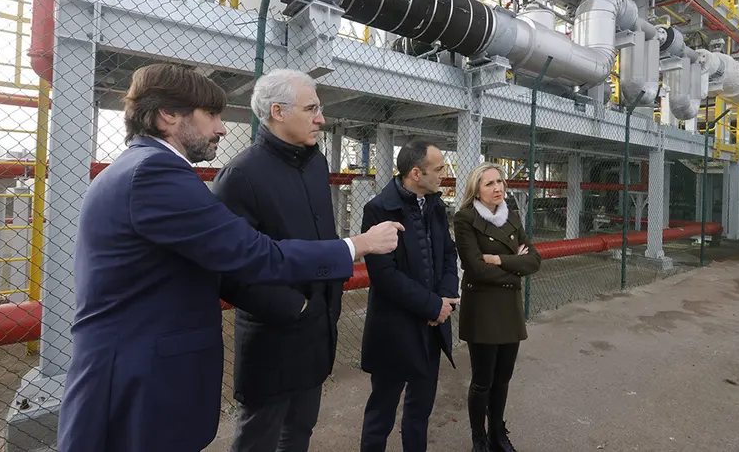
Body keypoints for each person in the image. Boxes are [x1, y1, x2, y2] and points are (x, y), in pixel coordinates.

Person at [56, 64, 403, 452]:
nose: (222, 128)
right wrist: (355, 246)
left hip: (143, 376)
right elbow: (251, 253)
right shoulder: (154, 174)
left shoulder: (143, 169)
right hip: (139, 384)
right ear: (168, 115)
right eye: (212, 115)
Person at [211, 69, 343, 452]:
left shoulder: (315, 164)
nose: (321, 118)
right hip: (273, 339)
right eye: (312, 108)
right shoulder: (240, 176)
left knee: (300, 431)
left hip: (318, 330)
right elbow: (230, 270)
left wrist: (323, 308)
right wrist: (298, 306)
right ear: (278, 112)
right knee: (259, 440)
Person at [358, 140, 460, 452]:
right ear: (416, 173)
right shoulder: (378, 209)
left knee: (420, 411)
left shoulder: (435, 205)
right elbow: (384, 276)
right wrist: (432, 306)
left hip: (432, 327)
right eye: (438, 168)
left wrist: (444, 301)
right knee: (382, 411)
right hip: (395, 330)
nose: (443, 174)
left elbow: (447, 255)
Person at [452, 163, 542, 452]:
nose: (498, 188)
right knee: (482, 380)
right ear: (476, 189)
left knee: (503, 378)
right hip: (483, 309)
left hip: (508, 308)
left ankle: (497, 434)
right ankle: (479, 437)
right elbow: (475, 269)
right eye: (490, 183)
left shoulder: (512, 217)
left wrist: (500, 260)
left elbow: (534, 261)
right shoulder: (465, 219)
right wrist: (515, 267)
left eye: (500, 182)